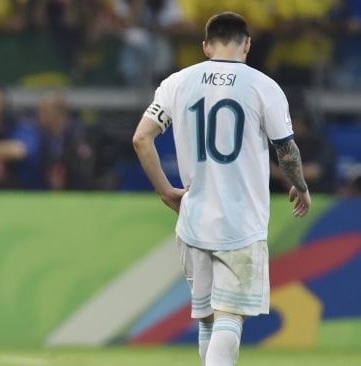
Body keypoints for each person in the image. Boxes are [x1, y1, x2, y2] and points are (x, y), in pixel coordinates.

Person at [132, 12, 311, 366]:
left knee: (209, 318)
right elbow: (286, 148)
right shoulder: (263, 86)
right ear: (247, 43)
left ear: (205, 46)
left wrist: (165, 190)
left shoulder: (177, 82)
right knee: (230, 316)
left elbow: (141, 138)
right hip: (240, 221)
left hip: (194, 218)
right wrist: (300, 185)